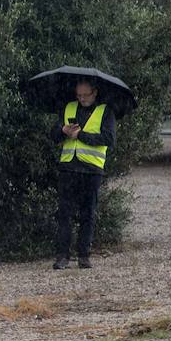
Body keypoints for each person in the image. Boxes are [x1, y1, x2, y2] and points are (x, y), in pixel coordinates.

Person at [52, 80, 116, 270]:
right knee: (64, 214)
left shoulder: (106, 112)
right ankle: (63, 256)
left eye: (85, 95)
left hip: (91, 170)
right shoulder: (68, 108)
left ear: (94, 93)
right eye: (78, 95)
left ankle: (84, 255)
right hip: (68, 168)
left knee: (88, 213)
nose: (81, 99)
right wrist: (62, 130)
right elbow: (53, 135)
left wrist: (81, 136)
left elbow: (109, 139)